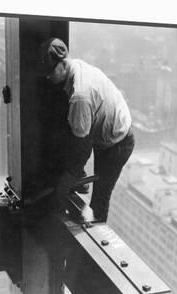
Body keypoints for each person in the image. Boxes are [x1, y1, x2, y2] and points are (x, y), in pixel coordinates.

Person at [39, 37, 135, 221]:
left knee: (100, 198)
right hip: (105, 132)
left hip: (117, 143)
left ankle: (98, 237)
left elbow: (81, 149)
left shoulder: (80, 96)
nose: (48, 76)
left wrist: (65, 183)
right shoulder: (76, 67)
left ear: (63, 64)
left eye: (50, 72)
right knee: (72, 168)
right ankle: (78, 181)